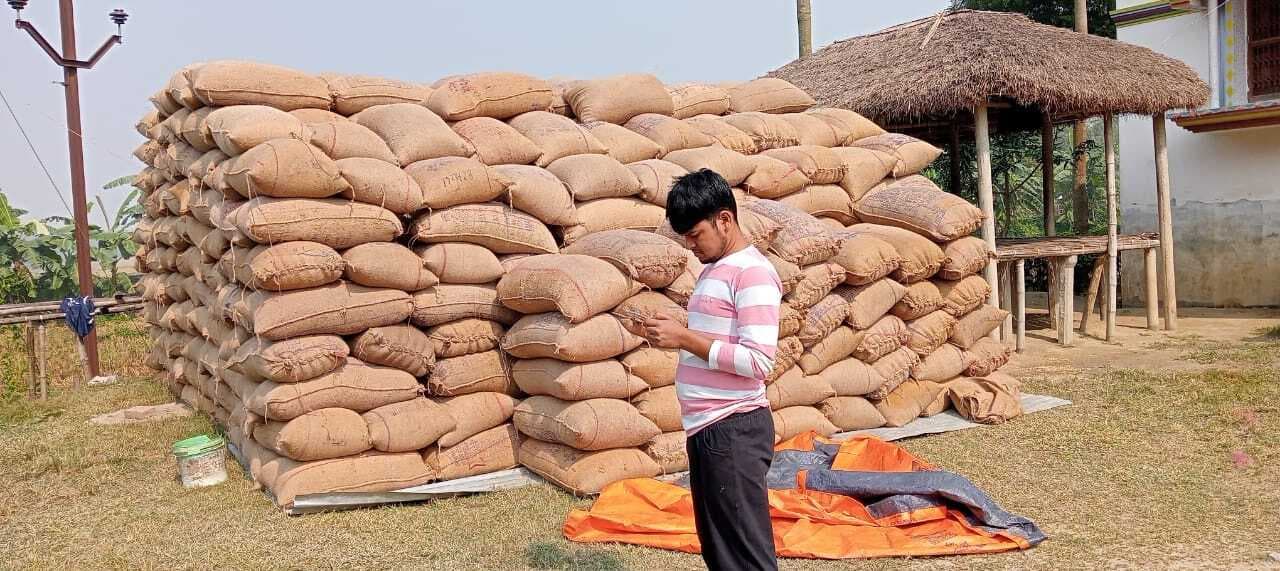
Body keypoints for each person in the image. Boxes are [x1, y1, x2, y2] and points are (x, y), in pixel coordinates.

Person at [643, 169, 781, 571]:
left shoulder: (751, 273)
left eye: (695, 234)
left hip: (734, 428)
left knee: (747, 557)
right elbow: (714, 342)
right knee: (721, 554)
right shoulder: (713, 271)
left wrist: (685, 338)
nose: (690, 246)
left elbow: (758, 361)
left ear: (724, 220)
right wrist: (675, 334)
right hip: (708, 428)